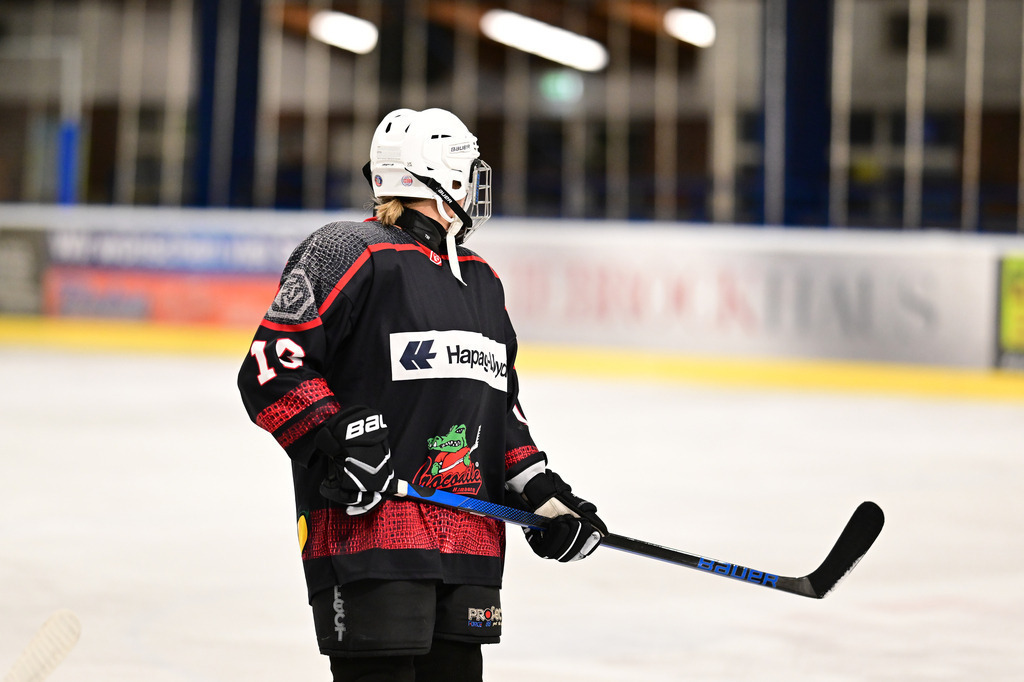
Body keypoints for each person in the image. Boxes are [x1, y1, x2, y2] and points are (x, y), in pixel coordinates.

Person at [237, 107, 607, 682]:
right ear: (441, 176)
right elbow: (270, 368)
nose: (478, 183)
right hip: (371, 539)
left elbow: (499, 414)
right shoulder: (348, 250)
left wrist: (543, 496)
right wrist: (337, 441)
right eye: (468, 167)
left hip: (469, 545)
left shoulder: (483, 280)